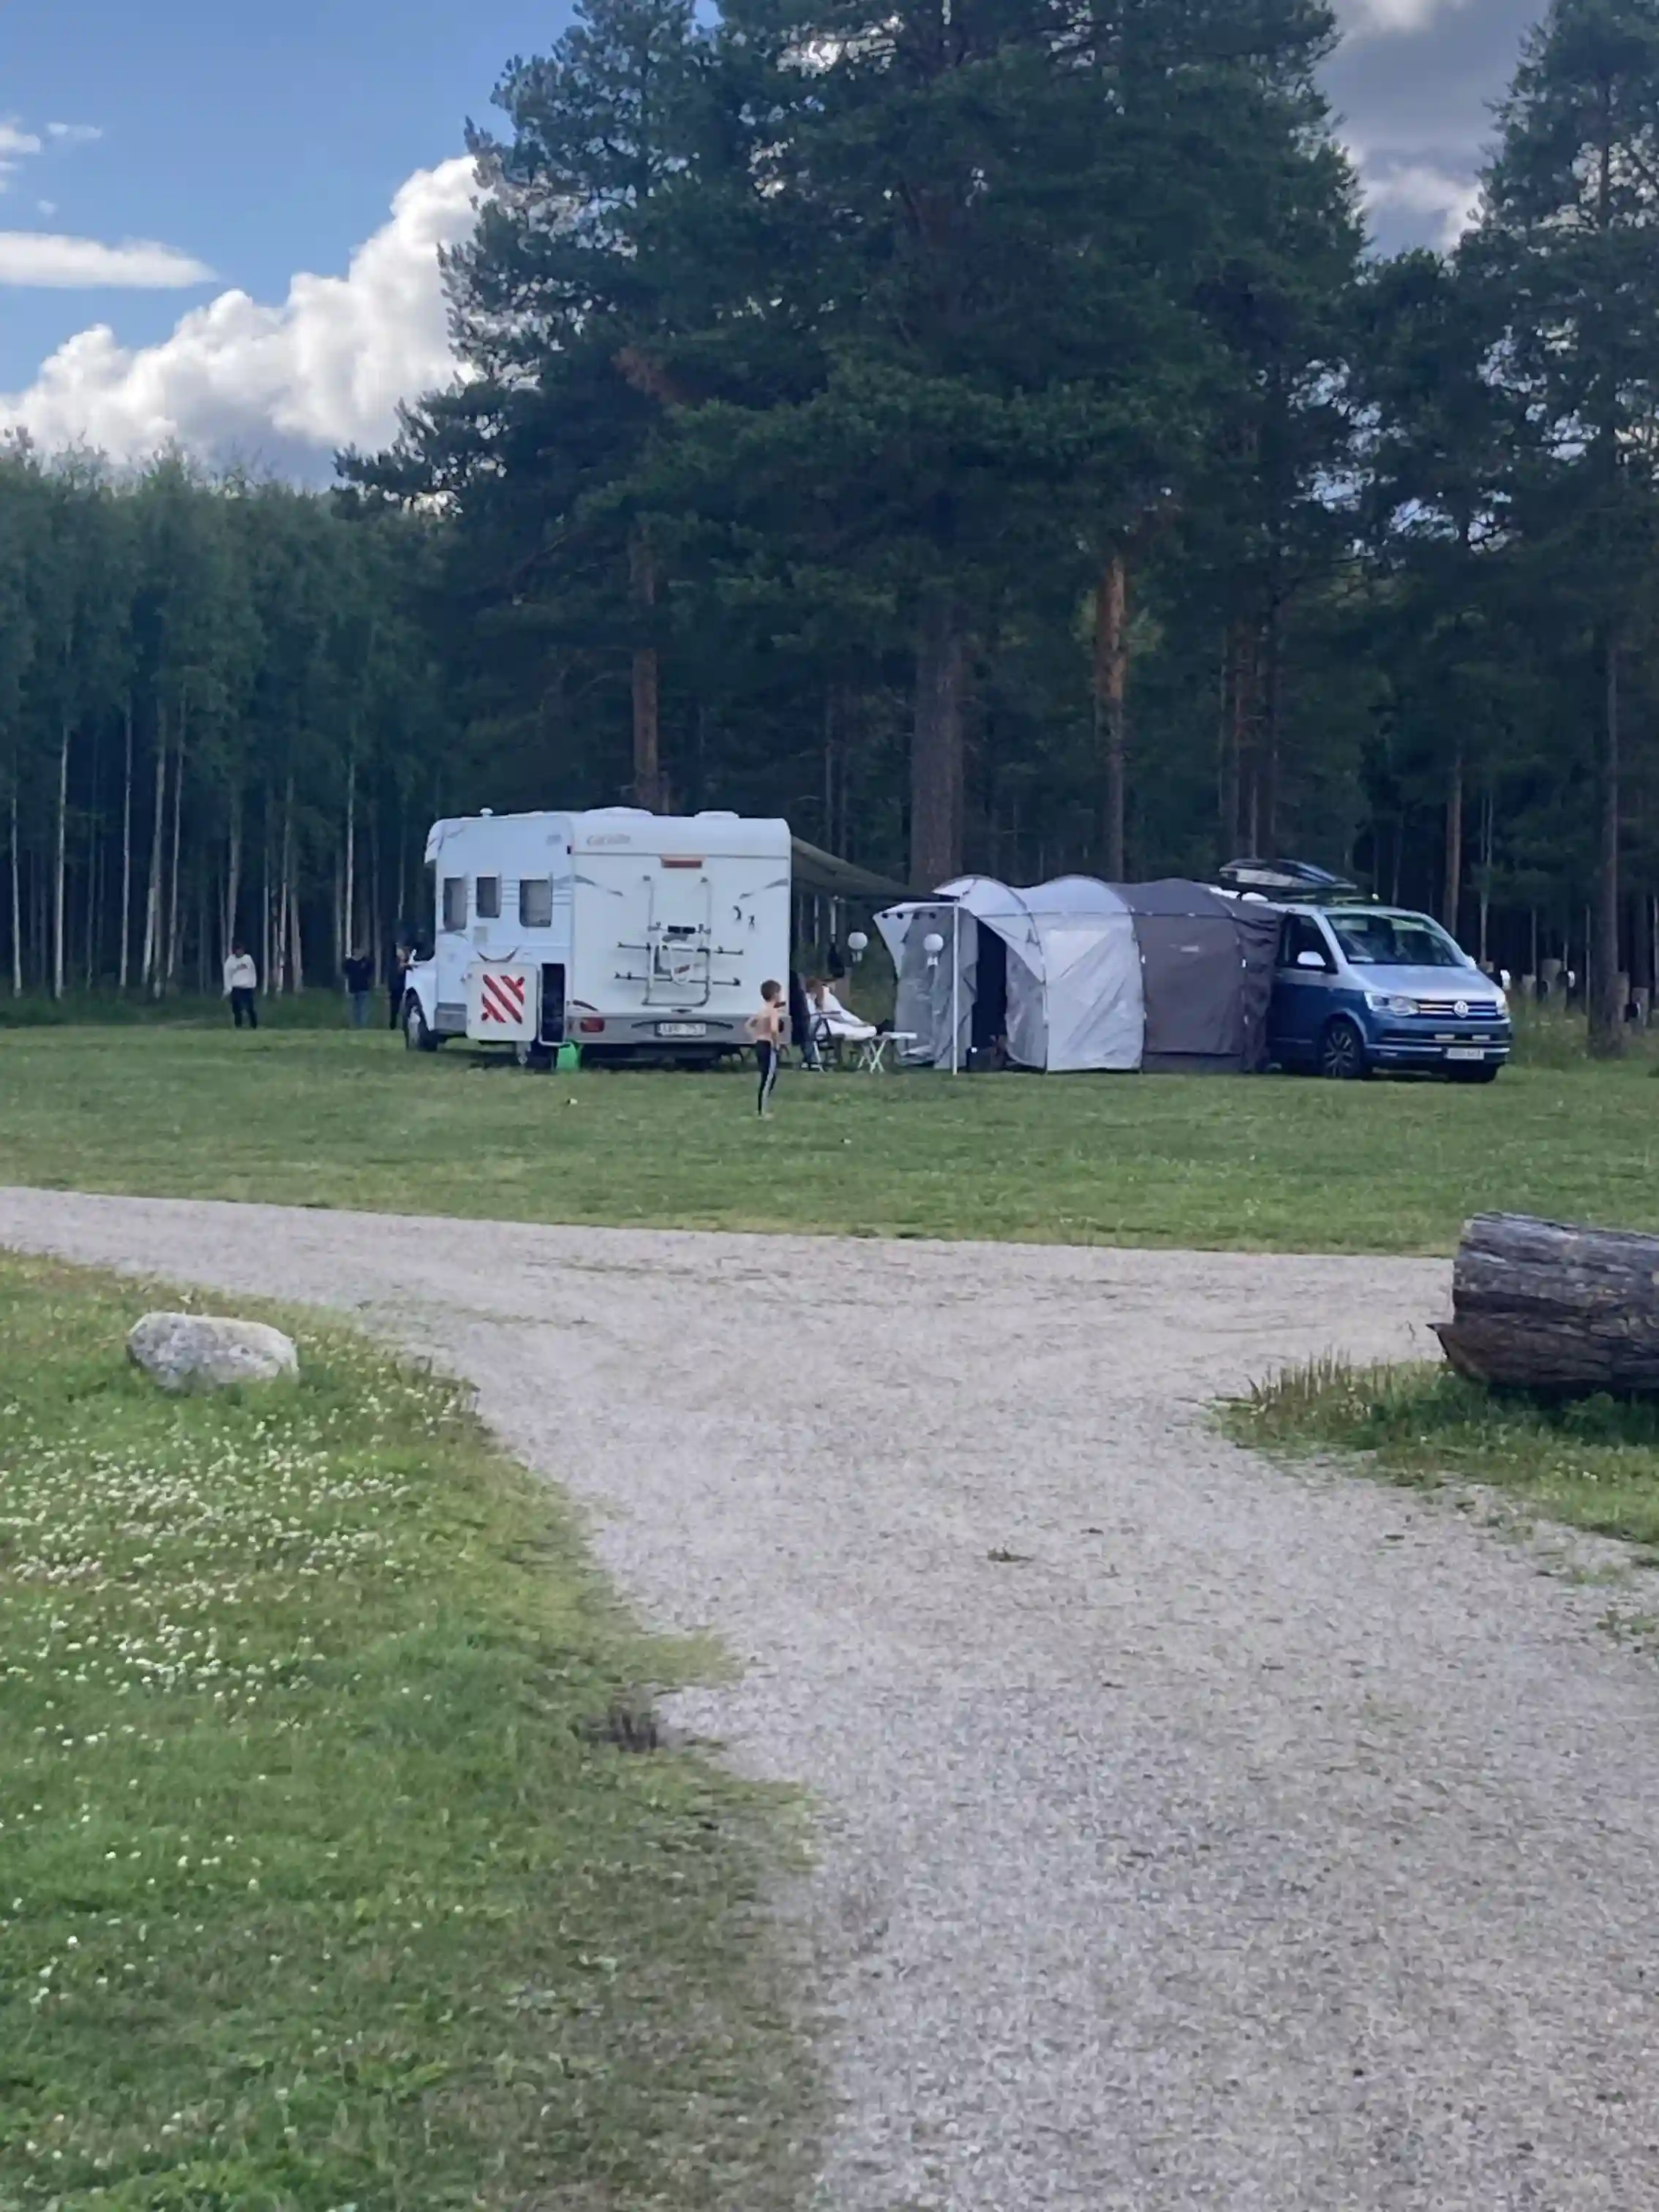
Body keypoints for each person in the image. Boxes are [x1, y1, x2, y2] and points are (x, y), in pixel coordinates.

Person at [746, 979, 786, 1118]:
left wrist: (755, 1037)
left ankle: (762, 1108)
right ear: (775, 994)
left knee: (766, 1076)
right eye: (779, 993)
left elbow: (749, 1024)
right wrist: (776, 1044)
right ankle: (762, 1111)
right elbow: (774, 1030)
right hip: (769, 1045)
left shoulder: (762, 1010)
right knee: (769, 1077)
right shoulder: (773, 1011)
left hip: (760, 1044)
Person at [223, 941, 259, 1030]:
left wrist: (253, 984)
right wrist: (228, 988)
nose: (240, 952)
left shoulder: (248, 959)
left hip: (247, 987)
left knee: (250, 1007)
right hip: (236, 987)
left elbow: (253, 971)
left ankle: (254, 1025)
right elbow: (227, 974)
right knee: (236, 1007)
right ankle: (238, 1025)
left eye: (241, 950)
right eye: (238, 950)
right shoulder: (231, 961)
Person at [344, 946, 375, 1028]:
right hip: (353, 988)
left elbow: (371, 973)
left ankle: (362, 1025)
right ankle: (354, 1025)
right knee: (354, 1008)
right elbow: (346, 974)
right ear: (355, 950)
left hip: (364, 988)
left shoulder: (367, 962)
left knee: (363, 1008)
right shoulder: (349, 962)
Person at [388, 942, 412, 1031]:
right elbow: (392, 974)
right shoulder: (393, 961)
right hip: (396, 987)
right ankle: (393, 1025)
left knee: (405, 1008)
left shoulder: (410, 960)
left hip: (406, 986)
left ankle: (405, 1026)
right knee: (394, 1007)